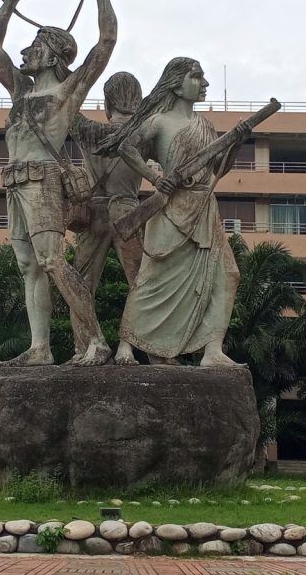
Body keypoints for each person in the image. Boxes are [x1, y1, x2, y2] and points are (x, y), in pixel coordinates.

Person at [0, 0, 119, 366]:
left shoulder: (67, 91)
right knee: (29, 266)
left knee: (52, 260)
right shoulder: (20, 90)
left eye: (36, 46)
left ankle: (95, 340)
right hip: (13, 179)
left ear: (55, 55)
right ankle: (40, 348)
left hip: (42, 179)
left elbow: (105, 42)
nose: (26, 51)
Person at [97, 57, 245, 366]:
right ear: (177, 83)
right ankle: (126, 344)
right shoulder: (159, 121)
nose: (204, 84)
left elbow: (217, 169)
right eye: (196, 77)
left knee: (228, 274)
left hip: (204, 208)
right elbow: (126, 147)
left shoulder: (205, 125)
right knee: (152, 277)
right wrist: (155, 178)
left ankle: (212, 350)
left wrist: (235, 146)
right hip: (171, 206)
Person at [68, 71, 147, 349]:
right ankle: (143, 349)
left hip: (95, 212)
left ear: (106, 104)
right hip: (129, 210)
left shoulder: (89, 131)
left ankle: (85, 346)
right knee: (141, 283)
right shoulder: (143, 134)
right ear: (138, 101)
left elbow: (66, 104)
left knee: (81, 283)